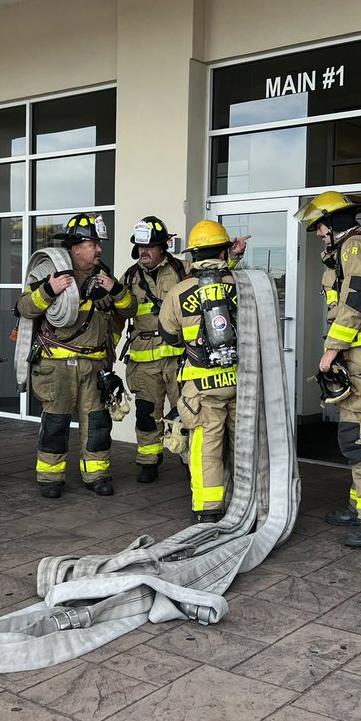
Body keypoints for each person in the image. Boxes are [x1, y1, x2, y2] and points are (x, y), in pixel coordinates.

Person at [296, 190, 361, 548]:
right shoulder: (345, 251)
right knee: (353, 436)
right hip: (357, 354)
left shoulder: (355, 248)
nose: (319, 234)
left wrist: (332, 349)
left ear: (332, 222)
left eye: (319, 227)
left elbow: (356, 299)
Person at [16, 212, 134, 498]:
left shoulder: (105, 278)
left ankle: (97, 475)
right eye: (93, 244)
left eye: (98, 244)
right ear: (76, 248)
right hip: (57, 365)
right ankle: (50, 477)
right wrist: (48, 290)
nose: (98, 250)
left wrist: (117, 290)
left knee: (97, 424)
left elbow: (129, 311)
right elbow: (24, 308)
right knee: (55, 423)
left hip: (94, 365)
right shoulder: (51, 273)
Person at [158, 220, 239, 523]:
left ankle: (208, 509)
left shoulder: (179, 292)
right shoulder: (243, 286)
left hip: (202, 385)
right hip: (242, 381)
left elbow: (169, 337)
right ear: (224, 250)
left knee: (206, 446)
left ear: (193, 255)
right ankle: (247, 505)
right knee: (242, 445)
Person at [120, 216, 187, 482]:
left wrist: (232, 259)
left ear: (162, 247)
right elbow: (116, 315)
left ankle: (192, 462)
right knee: (147, 414)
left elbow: (213, 280)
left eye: (148, 247)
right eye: (139, 247)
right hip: (143, 360)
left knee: (186, 413)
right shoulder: (130, 277)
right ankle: (148, 462)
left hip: (179, 360)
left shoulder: (184, 271)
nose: (143, 252)